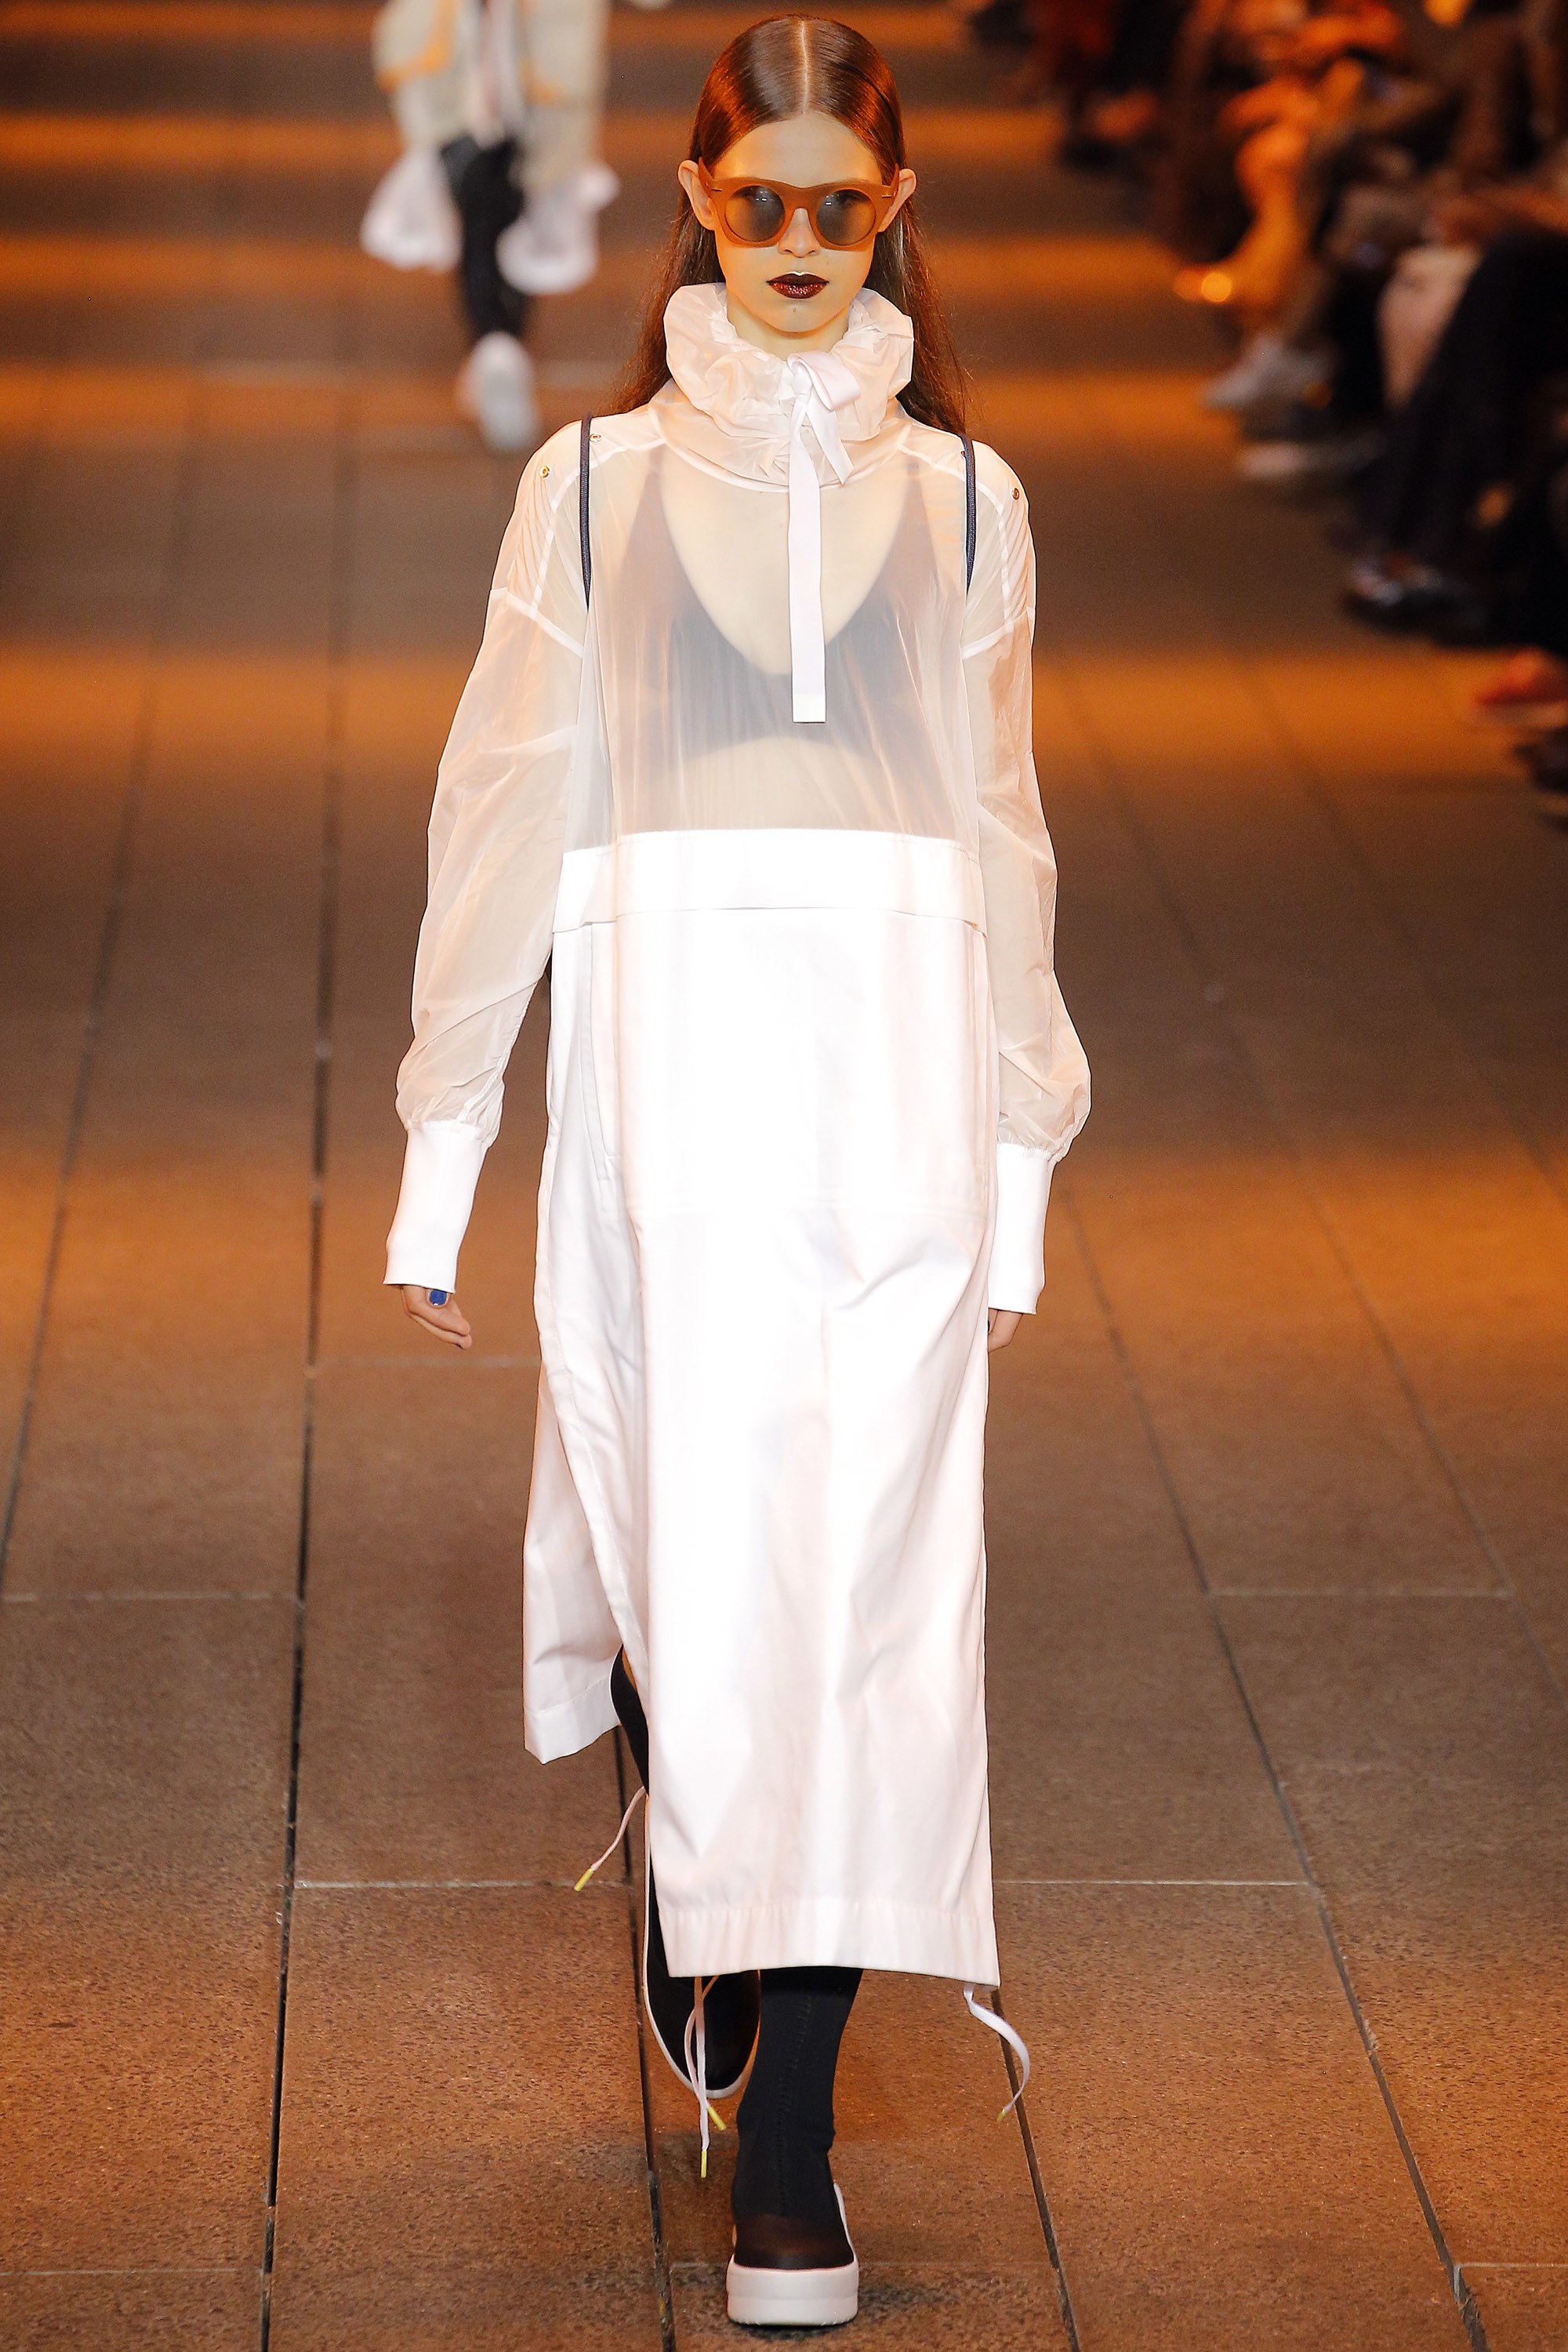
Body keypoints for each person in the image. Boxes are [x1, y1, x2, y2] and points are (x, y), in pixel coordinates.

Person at [383, 13, 1089, 2328]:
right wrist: (438, 1146)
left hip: (888, 1080)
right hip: (664, 1079)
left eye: (839, 201)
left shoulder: (972, 503)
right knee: (694, 1542)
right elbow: (501, 800)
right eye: (757, 195)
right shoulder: (584, 486)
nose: (797, 239)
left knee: (875, 1588)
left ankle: (788, 2143)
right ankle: (698, 1864)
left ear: (893, 209)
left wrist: (1016, 1167)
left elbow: (1003, 836)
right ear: (696, 197)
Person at [362, 0, 622, 451]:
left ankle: (493, 344)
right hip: (534, 49)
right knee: (520, 196)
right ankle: (502, 345)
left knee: (479, 201)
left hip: (457, 46)